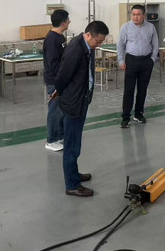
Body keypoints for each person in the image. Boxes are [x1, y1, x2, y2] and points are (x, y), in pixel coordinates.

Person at [56, 20, 109, 197]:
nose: (99, 45)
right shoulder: (75, 50)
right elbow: (62, 76)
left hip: (81, 99)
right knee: (72, 145)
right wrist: (60, 93)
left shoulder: (86, 46)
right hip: (73, 102)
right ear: (88, 35)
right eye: (98, 41)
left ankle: (73, 173)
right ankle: (72, 185)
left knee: (75, 143)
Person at [117, 4, 159, 129]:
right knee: (128, 90)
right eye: (133, 14)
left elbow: (155, 44)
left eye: (138, 14)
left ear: (144, 15)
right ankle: (125, 117)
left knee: (142, 89)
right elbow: (120, 45)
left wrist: (152, 59)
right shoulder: (125, 27)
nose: (135, 17)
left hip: (146, 61)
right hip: (131, 61)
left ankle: (138, 114)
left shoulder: (150, 27)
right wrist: (121, 61)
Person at [43, 9, 70, 152]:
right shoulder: (52, 39)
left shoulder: (60, 37)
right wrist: (62, 78)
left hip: (62, 79)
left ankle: (59, 136)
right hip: (55, 80)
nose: (70, 22)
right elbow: (53, 63)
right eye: (68, 20)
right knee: (54, 110)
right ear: (63, 22)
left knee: (61, 110)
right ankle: (51, 140)